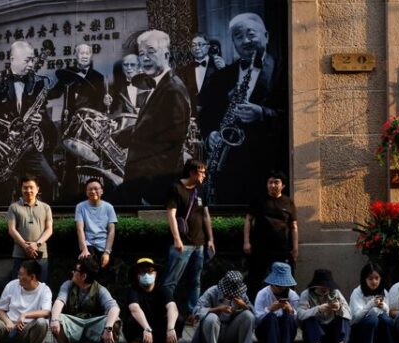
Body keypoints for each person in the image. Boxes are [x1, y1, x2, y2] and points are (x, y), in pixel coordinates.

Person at [200, 12, 287, 203]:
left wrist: (263, 114)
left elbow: (294, 117)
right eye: (238, 36)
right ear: (233, 42)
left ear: (266, 36)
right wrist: (211, 135)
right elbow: (206, 117)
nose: (245, 40)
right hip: (228, 171)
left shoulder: (285, 71)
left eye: (251, 34)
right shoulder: (220, 78)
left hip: (267, 168)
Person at [114, 29, 190, 205]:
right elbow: (154, 127)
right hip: (140, 184)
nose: (145, 58)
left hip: (152, 190)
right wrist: (121, 135)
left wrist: (150, 194)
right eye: (141, 54)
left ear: (166, 54)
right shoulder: (159, 85)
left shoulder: (173, 89)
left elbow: (170, 147)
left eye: (151, 52)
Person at [0, 40, 58, 205]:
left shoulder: (37, 82)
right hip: (3, 148)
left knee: (51, 180)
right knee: (2, 196)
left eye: (32, 60)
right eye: (27, 60)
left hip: (27, 146)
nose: (32, 64)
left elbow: (43, 114)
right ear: (13, 59)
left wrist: (40, 120)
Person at [162, 159, 215, 324]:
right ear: (192, 172)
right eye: (201, 172)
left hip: (199, 244)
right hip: (182, 244)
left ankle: (193, 314)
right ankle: (167, 313)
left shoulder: (201, 189)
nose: (204, 175)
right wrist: (177, 239)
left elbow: (206, 215)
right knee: (171, 281)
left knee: (195, 280)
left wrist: (210, 239)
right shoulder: (176, 188)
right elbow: (171, 214)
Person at [50, 257, 121, 343]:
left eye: (76, 270)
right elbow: (59, 301)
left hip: (93, 323)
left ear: (83, 276)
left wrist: (109, 328)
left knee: (115, 320)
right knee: (57, 316)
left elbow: (114, 308)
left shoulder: (99, 289)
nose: (72, 272)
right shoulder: (68, 284)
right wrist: (54, 319)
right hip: (74, 322)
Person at [243, 170, 298, 298]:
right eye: (270, 182)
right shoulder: (258, 200)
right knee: (255, 279)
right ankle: (254, 308)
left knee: (283, 280)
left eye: (276, 182)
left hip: (282, 248)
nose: (273, 185)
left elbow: (294, 226)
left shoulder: (289, 202)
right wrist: (246, 242)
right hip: (259, 247)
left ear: (283, 185)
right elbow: (248, 220)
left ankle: (285, 308)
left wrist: (295, 248)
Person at [125, 258, 181, 343]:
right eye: (143, 272)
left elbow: (172, 307)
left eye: (150, 271)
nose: (147, 275)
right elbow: (135, 308)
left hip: (160, 331)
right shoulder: (133, 291)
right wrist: (146, 328)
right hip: (141, 333)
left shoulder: (163, 290)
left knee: (178, 320)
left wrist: (170, 328)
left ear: (156, 274)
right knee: (131, 320)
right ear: (137, 275)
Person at [192, 270, 255, 343]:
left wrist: (244, 306)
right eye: (228, 293)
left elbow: (255, 316)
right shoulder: (212, 292)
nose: (231, 295)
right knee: (211, 318)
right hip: (211, 331)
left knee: (248, 315)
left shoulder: (241, 294)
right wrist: (218, 309)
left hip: (231, 331)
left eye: (234, 293)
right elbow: (196, 311)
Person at [297, 269, 355, 343]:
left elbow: (349, 314)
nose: (325, 288)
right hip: (314, 332)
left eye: (327, 286)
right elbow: (300, 314)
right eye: (321, 286)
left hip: (332, 330)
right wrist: (318, 309)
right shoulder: (306, 294)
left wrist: (339, 308)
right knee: (309, 318)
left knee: (344, 318)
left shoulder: (335, 292)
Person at [7, 174, 53, 282]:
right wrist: (25, 246)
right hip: (20, 253)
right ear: (21, 189)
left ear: (37, 189)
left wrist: (36, 244)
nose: (28, 190)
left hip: (40, 254)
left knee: (41, 285)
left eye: (31, 187)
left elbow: (49, 229)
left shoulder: (46, 207)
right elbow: (12, 229)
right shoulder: (14, 207)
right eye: (25, 187)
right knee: (18, 285)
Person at [349, 262, 397, 343]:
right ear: (364, 279)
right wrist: (370, 305)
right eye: (370, 278)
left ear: (381, 279)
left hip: (378, 329)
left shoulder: (384, 292)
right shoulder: (357, 292)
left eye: (376, 278)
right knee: (372, 317)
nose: (374, 281)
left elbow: (387, 315)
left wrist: (384, 307)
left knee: (386, 319)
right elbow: (355, 318)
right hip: (360, 327)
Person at [253, 262, 299, 343]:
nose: (282, 289)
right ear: (272, 283)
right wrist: (270, 309)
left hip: (285, 331)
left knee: (288, 316)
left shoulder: (292, 295)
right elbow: (256, 319)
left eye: (284, 286)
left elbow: (297, 320)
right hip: (266, 331)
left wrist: (291, 310)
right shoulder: (262, 294)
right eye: (279, 286)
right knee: (271, 317)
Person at [75, 178, 118, 284]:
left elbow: (111, 231)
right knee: (88, 274)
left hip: (104, 246)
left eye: (96, 189)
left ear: (102, 191)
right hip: (89, 245)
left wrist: (107, 252)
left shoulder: (109, 207)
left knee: (105, 277)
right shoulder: (81, 207)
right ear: (86, 192)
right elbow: (79, 228)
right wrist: (84, 249)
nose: (93, 191)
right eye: (90, 189)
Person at [177, 33, 225, 114]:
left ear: (208, 46)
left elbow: (227, 91)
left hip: (215, 115)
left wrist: (223, 70)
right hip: (192, 117)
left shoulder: (219, 66)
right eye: (193, 45)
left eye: (200, 44)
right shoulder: (183, 71)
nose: (197, 48)